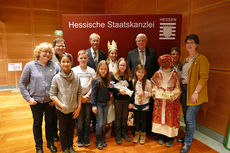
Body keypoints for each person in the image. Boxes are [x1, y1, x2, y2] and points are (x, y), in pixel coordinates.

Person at [19, 42, 59, 153]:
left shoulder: (55, 66)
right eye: (44, 51)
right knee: (37, 123)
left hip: (50, 102)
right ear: (39, 52)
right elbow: (22, 84)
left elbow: (60, 83)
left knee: (50, 123)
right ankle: (39, 146)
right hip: (35, 102)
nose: (47, 54)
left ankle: (50, 143)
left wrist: (55, 99)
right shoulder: (30, 66)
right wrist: (28, 98)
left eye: (49, 52)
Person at [179, 34, 210, 153]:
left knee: (189, 118)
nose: (189, 45)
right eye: (187, 43)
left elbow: (204, 78)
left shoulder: (202, 59)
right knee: (186, 117)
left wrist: (196, 92)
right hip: (185, 91)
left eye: (192, 42)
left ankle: (187, 142)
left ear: (197, 44)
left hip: (194, 93)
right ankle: (187, 137)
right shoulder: (186, 59)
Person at [127, 33, 159, 135]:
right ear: (136, 42)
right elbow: (129, 69)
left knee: (147, 110)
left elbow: (155, 69)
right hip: (136, 85)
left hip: (148, 85)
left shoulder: (153, 52)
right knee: (136, 109)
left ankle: (146, 130)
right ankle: (135, 129)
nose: (141, 42)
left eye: (143, 40)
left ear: (146, 41)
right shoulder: (131, 54)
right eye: (139, 41)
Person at [50, 53, 82, 153]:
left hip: (73, 109)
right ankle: (64, 149)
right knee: (63, 130)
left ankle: (70, 147)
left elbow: (79, 93)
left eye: (68, 61)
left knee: (71, 129)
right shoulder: (56, 78)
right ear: (60, 63)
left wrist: (79, 108)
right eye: (63, 62)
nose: (65, 63)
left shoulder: (76, 77)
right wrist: (61, 105)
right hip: (61, 110)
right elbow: (52, 95)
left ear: (71, 63)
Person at [151, 54, 181, 148]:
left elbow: (178, 89)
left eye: (167, 62)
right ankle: (161, 136)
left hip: (170, 102)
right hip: (160, 101)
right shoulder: (157, 74)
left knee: (170, 118)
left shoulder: (175, 74)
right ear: (160, 63)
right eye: (163, 62)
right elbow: (153, 85)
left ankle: (170, 138)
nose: (165, 63)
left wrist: (171, 95)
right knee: (160, 118)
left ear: (170, 62)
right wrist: (155, 91)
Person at [72, 50, 95, 147]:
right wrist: (81, 97)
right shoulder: (74, 70)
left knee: (87, 119)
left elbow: (93, 85)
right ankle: (80, 138)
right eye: (81, 58)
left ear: (88, 59)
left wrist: (87, 96)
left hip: (88, 98)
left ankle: (86, 137)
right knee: (80, 120)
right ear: (78, 59)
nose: (83, 60)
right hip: (78, 98)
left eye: (85, 58)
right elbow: (72, 85)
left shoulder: (92, 71)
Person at [86, 33, 106, 132]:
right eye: (93, 40)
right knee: (90, 110)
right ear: (90, 41)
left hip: (100, 86)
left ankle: (96, 128)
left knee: (97, 111)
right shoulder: (85, 54)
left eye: (97, 40)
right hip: (89, 85)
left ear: (99, 42)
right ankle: (89, 130)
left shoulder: (103, 54)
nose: (95, 42)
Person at [110, 58, 133, 145]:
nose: (122, 67)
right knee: (118, 117)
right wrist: (119, 91)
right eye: (121, 65)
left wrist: (131, 101)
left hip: (126, 100)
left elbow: (132, 89)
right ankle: (118, 134)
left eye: (124, 65)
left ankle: (124, 132)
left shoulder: (129, 76)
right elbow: (111, 87)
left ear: (126, 66)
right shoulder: (114, 75)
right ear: (118, 65)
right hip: (118, 100)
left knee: (125, 117)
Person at [91, 60, 110, 150]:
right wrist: (93, 105)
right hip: (98, 104)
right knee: (100, 123)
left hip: (105, 104)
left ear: (107, 70)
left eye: (105, 69)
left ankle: (102, 139)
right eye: (101, 69)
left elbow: (107, 91)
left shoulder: (107, 79)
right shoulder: (96, 80)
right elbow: (93, 94)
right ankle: (98, 140)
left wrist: (109, 99)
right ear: (98, 69)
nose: (103, 71)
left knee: (104, 123)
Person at [130, 64, 152, 145]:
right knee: (136, 119)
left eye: (142, 72)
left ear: (145, 73)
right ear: (135, 72)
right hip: (136, 104)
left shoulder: (148, 82)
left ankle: (143, 134)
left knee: (143, 120)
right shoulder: (133, 81)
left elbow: (151, 94)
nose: (140, 74)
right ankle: (137, 134)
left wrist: (144, 93)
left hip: (144, 104)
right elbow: (132, 94)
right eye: (139, 72)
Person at [105, 40, 119, 138]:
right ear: (109, 54)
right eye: (111, 53)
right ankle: (109, 127)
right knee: (110, 109)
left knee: (117, 109)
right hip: (108, 91)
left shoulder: (120, 63)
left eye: (115, 53)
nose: (113, 55)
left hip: (118, 90)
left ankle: (116, 128)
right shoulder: (105, 64)